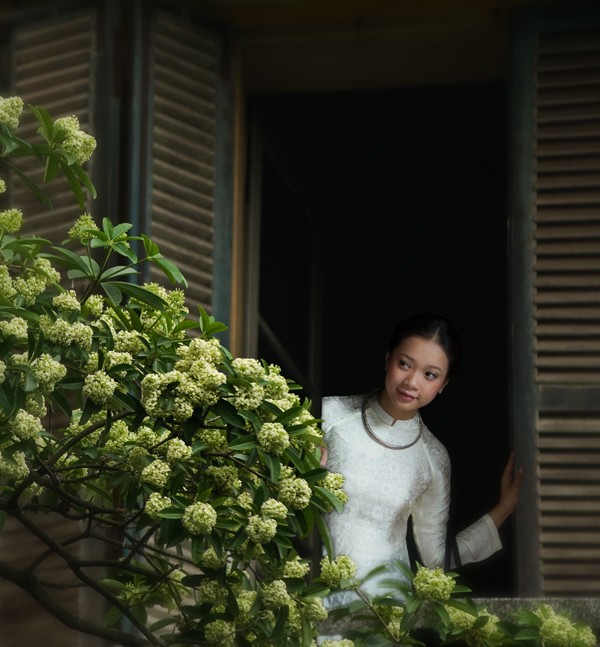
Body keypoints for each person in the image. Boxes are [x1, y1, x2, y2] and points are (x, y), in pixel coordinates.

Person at [319, 312, 523, 608]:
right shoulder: (328, 415)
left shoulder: (433, 458)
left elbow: (435, 559)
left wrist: (503, 510)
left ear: (443, 384)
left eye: (430, 374)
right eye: (405, 364)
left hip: (383, 612)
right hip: (311, 596)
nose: (412, 382)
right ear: (388, 359)